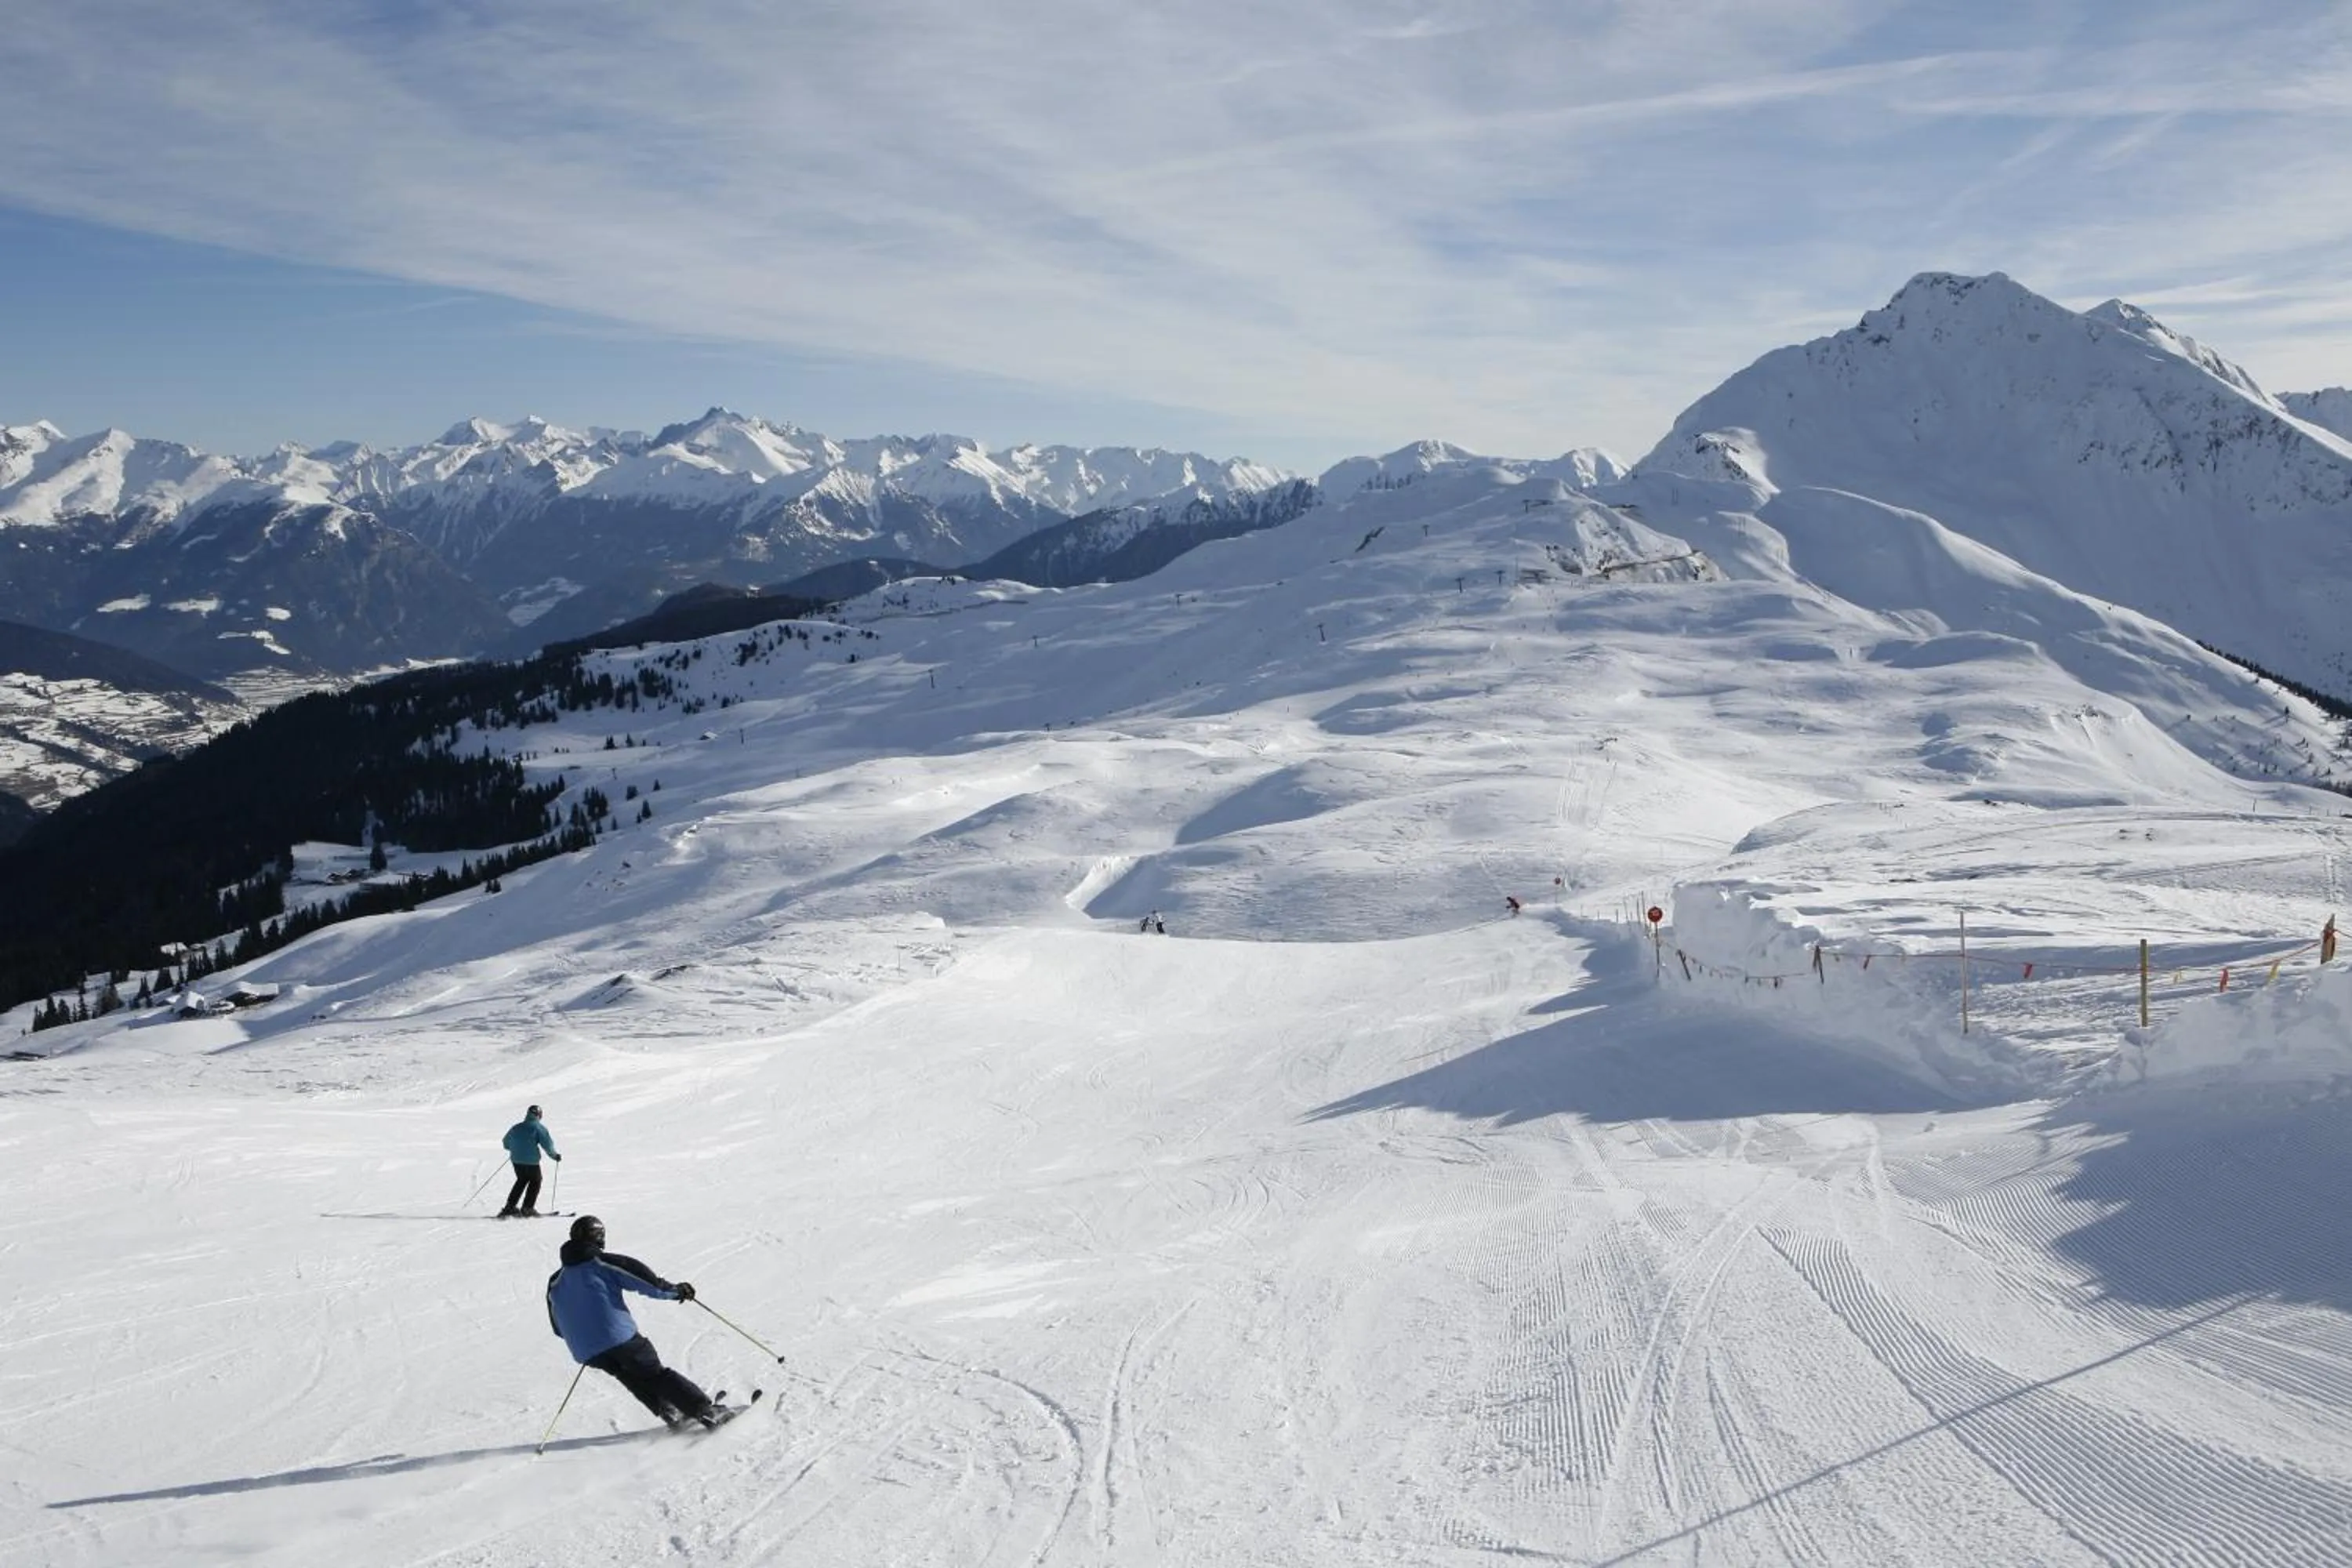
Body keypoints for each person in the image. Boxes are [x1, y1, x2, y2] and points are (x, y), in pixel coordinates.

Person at [545, 1215, 717, 1428]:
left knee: (625, 1373)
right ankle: (704, 1410)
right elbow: (651, 1285)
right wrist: (678, 1291)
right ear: (599, 1238)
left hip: (585, 1351)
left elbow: (557, 1328)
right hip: (619, 1339)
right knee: (654, 1373)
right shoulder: (603, 1263)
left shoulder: (555, 1281)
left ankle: (668, 1410)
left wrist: (586, 1336)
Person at [499, 1105, 561, 1218]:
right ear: (539, 1115)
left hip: (516, 1160)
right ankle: (528, 1208)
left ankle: (510, 1207)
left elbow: (506, 1143)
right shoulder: (539, 1128)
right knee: (536, 1181)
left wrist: (516, 1149)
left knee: (521, 1180)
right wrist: (555, 1156)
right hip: (531, 1162)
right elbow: (548, 1145)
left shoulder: (516, 1127)